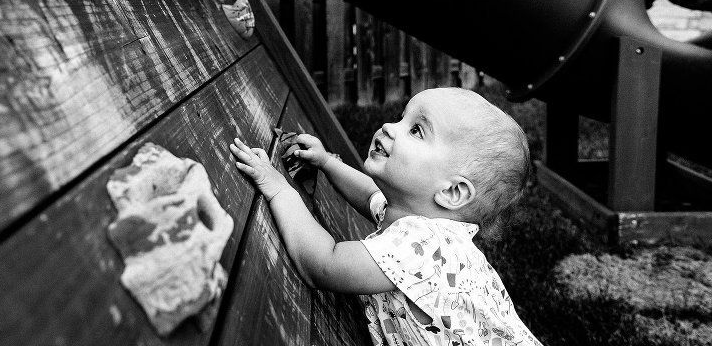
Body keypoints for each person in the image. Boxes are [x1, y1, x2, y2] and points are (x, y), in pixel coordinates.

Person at [230, 87, 542, 346]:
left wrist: (278, 189)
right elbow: (369, 196)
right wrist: (327, 162)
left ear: (451, 193)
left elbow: (323, 264)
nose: (390, 127)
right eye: (401, 117)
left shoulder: (423, 246)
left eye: (417, 130)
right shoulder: (416, 214)